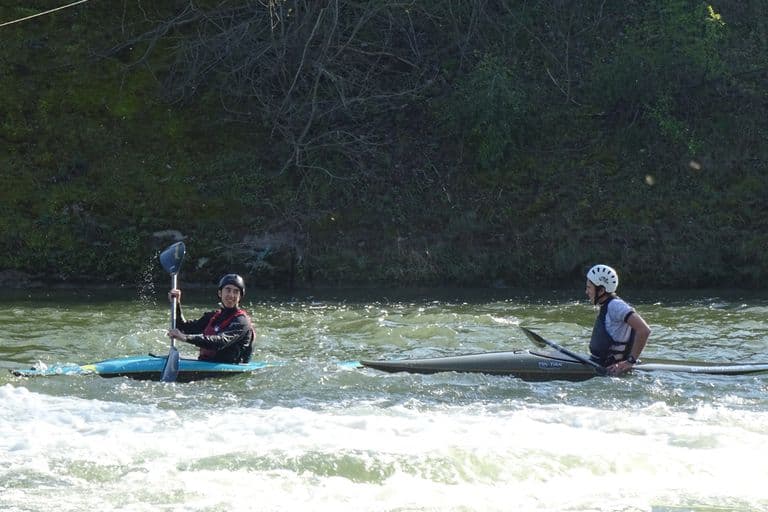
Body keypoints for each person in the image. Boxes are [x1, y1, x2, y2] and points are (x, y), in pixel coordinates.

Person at [166, 274, 255, 363]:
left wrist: (185, 338)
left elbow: (221, 341)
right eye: (228, 290)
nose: (231, 295)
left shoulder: (242, 321)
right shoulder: (213, 317)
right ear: (220, 293)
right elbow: (183, 328)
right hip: (207, 362)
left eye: (236, 292)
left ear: (240, 296)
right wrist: (176, 304)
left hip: (231, 367)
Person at [585, 264, 651, 376]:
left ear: (601, 290)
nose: (586, 291)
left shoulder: (615, 306)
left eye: (589, 287)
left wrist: (629, 362)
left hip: (610, 368)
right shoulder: (606, 305)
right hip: (598, 362)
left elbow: (644, 330)